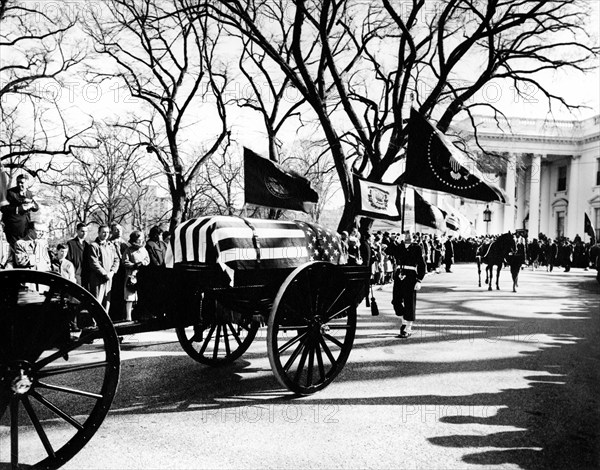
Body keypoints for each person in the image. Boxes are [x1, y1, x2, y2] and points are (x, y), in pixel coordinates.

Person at [388, 232, 426, 339]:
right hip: (399, 274)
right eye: (405, 235)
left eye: (408, 236)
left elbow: (422, 264)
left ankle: (407, 328)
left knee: (409, 302)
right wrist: (393, 240)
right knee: (396, 301)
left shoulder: (417, 247)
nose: (406, 237)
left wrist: (419, 280)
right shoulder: (399, 247)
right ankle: (404, 320)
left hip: (410, 275)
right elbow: (388, 251)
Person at [86, 224, 120, 312]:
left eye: (108, 232)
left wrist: (112, 272)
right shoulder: (93, 246)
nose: (106, 234)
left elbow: (116, 260)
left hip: (109, 277)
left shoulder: (110, 245)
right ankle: (94, 324)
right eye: (103, 232)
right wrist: (104, 273)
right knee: (97, 301)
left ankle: (105, 323)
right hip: (97, 278)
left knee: (107, 301)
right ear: (99, 233)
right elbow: (94, 262)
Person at [0, 174, 39, 246]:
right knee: (15, 250)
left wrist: (32, 204)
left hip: (26, 228)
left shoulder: (29, 193)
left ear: (27, 183)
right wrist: (19, 208)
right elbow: (3, 208)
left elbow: (36, 207)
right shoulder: (9, 193)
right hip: (13, 228)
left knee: (24, 251)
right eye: (18, 182)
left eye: (22, 182)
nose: (19, 184)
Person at [122, 231, 150, 321]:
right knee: (130, 296)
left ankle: (139, 315)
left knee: (140, 295)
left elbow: (147, 260)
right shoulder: (128, 250)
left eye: (141, 239)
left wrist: (142, 263)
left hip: (142, 275)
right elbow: (124, 262)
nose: (140, 241)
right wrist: (133, 265)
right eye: (138, 239)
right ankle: (128, 316)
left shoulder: (143, 250)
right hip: (131, 275)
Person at [109, 223, 129, 320]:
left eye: (120, 229)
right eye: (116, 229)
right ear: (112, 231)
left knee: (122, 293)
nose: (119, 231)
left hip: (123, 272)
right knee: (113, 294)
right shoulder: (109, 243)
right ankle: (112, 316)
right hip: (113, 271)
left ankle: (122, 315)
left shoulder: (124, 244)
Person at [66, 222, 90, 287]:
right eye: (82, 231)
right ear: (77, 231)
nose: (84, 233)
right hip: (74, 274)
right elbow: (68, 260)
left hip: (85, 276)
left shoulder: (88, 245)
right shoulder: (71, 244)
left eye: (86, 231)